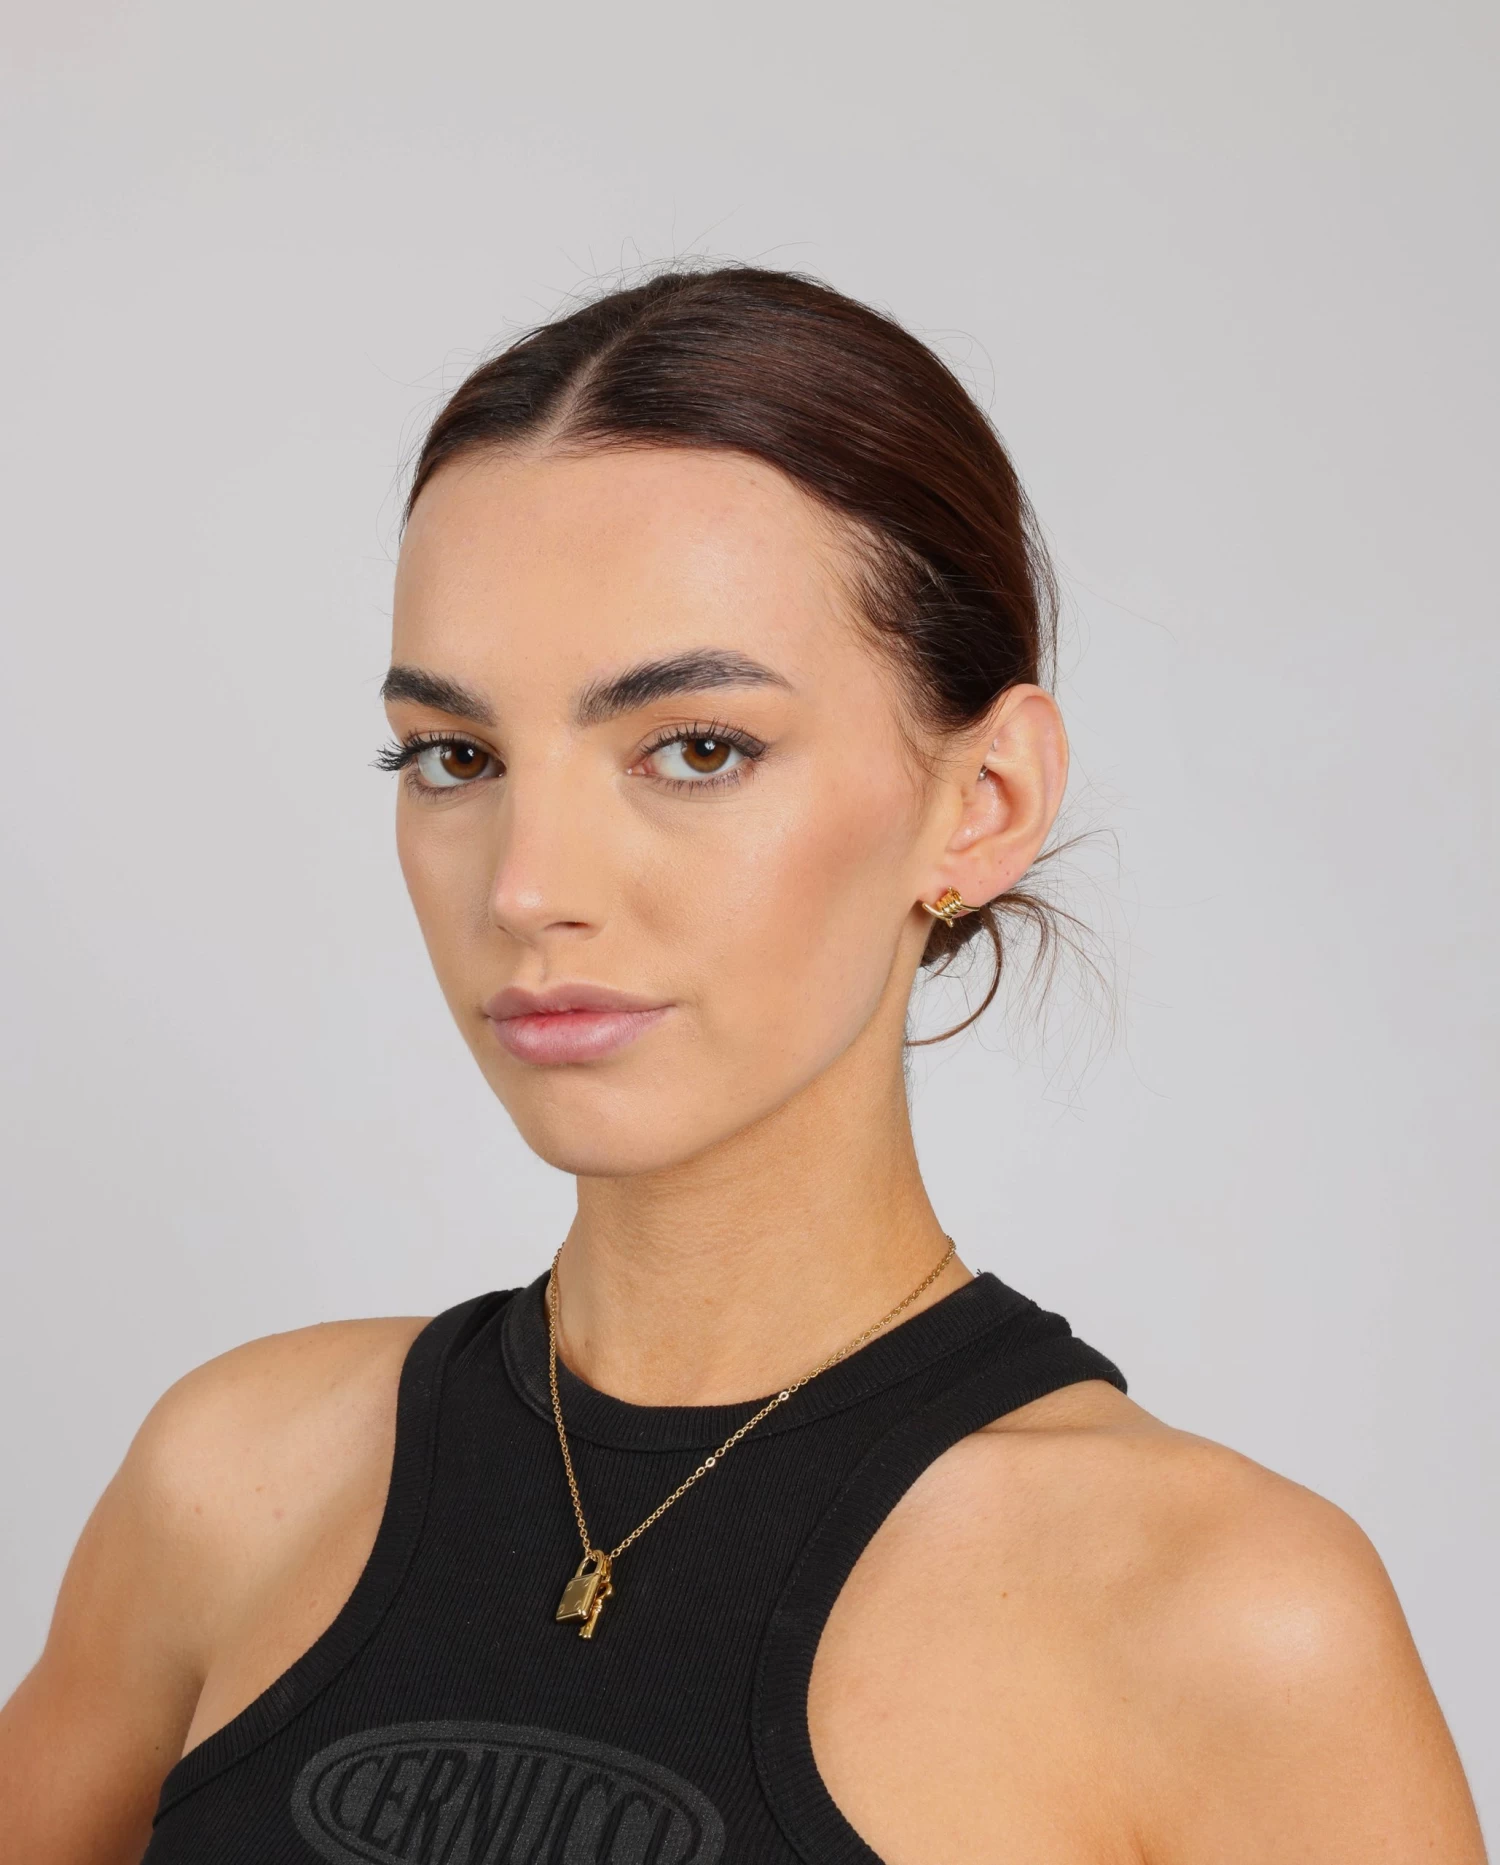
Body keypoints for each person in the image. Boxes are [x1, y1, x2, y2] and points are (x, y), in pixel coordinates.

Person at [0, 266, 1484, 1865]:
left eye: (696, 748)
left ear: (982, 801)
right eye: (457, 756)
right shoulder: (236, 1482)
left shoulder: (1223, 1621)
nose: (528, 886)